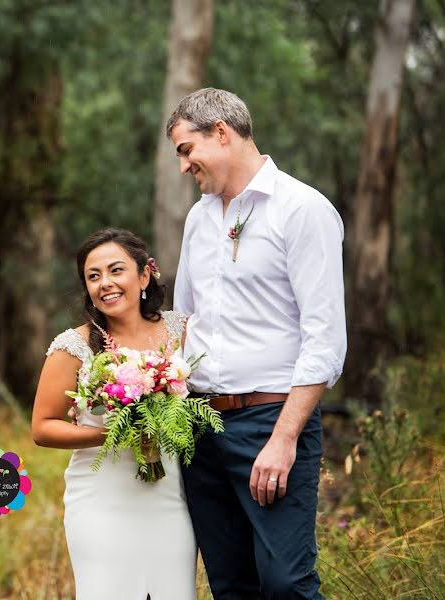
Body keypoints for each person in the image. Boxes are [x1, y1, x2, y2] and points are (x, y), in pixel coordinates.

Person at [168, 88, 347, 599]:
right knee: (231, 585)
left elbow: (325, 340)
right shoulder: (199, 218)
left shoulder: (303, 209)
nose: (184, 166)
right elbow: (185, 321)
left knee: (286, 584)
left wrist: (285, 438)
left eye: (186, 150)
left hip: (270, 422)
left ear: (221, 132)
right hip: (200, 427)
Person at [31, 228, 195, 600]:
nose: (105, 283)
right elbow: (42, 428)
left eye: (116, 270)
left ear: (143, 275)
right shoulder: (72, 347)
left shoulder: (181, 331)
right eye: (93, 276)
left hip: (169, 496)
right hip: (101, 500)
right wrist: (115, 433)